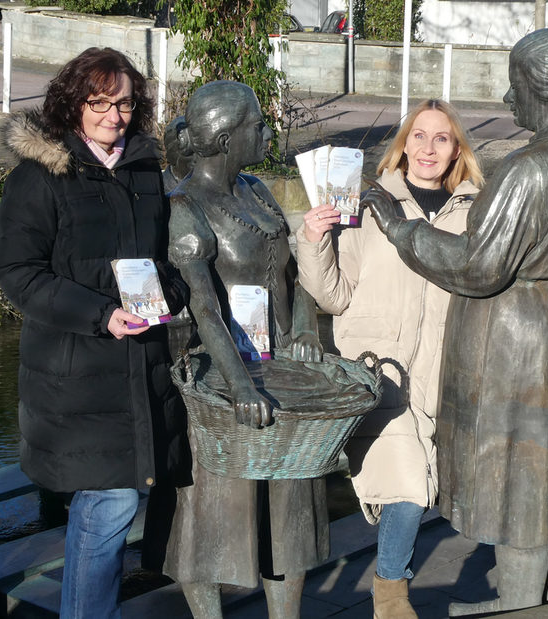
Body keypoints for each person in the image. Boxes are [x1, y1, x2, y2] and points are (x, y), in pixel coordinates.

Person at [363, 14, 548, 616]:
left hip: (518, 346)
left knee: (524, 493)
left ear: (538, 90)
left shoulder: (527, 169)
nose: (506, 96)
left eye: (514, 83)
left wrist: (400, 227)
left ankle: (524, 608)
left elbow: (477, 268)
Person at [0, 47, 188, 618]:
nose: (113, 116)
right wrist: (98, 315)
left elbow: (167, 260)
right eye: (99, 103)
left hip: (139, 367)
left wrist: (167, 298)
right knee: (110, 502)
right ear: (73, 103)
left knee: (117, 501)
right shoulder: (40, 175)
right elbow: (18, 273)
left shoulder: (148, 170)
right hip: (73, 374)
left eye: (124, 103)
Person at [296, 99, 483, 618]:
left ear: (456, 150)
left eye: (441, 138)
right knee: (407, 485)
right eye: (418, 136)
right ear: (403, 146)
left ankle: (390, 574)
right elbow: (332, 296)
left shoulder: (475, 211)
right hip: (379, 370)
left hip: (443, 373)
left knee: (423, 487)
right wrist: (313, 240)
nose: (427, 147)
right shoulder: (367, 202)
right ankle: (390, 594)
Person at [162, 80, 328, 619]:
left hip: (279, 365)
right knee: (209, 512)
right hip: (220, 375)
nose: (267, 132)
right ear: (228, 137)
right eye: (258, 125)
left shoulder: (257, 189)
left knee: (289, 506)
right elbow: (204, 306)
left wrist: (304, 327)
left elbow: (298, 270)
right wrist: (237, 386)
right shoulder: (184, 206)